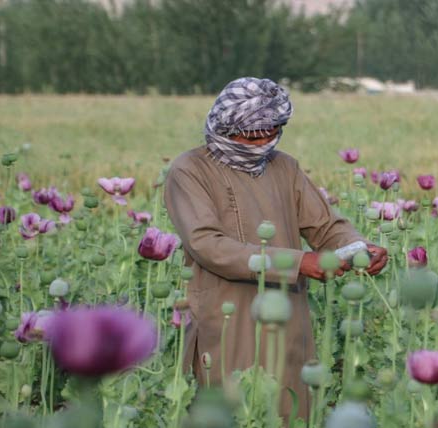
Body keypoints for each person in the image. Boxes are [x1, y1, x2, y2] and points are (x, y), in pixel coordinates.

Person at [163, 77, 388, 420]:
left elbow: (325, 225)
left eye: (273, 131)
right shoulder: (189, 170)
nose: (264, 142)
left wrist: (357, 246)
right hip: (227, 315)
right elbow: (207, 244)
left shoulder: (285, 167)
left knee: (290, 408)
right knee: (235, 410)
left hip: (288, 314)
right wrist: (297, 263)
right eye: (254, 133)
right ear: (226, 125)